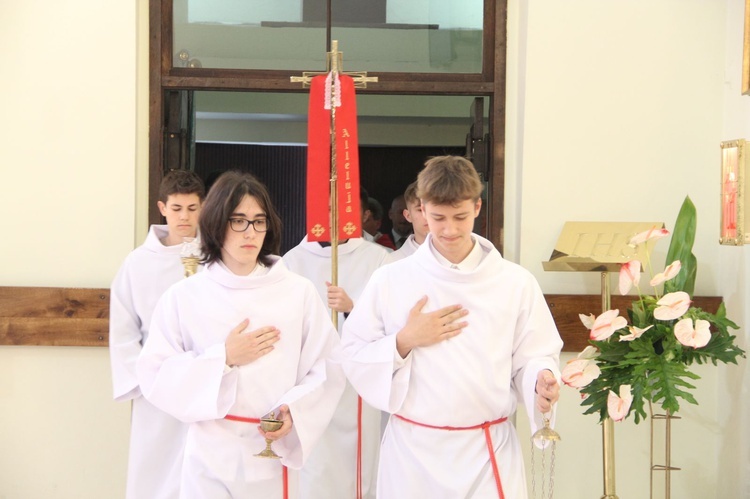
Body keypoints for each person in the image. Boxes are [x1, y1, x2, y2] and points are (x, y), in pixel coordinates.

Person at [340, 155, 562, 498]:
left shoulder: (514, 283)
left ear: (477, 206)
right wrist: (404, 340)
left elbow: (533, 355)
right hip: (413, 453)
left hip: (487, 451)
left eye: (460, 217)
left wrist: (540, 380)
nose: (449, 229)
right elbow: (353, 354)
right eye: (437, 218)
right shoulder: (391, 279)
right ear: (420, 210)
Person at [136, 171, 345, 498]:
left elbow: (327, 365)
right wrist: (224, 358)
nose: (251, 232)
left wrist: (295, 410)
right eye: (239, 221)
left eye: (258, 221)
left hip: (271, 454)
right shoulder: (185, 296)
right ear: (217, 224)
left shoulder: (297, 292)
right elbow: (155, 373)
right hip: (209, 453)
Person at [109, 169, 206, 499]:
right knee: (155, 467)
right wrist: (146, 378)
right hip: (156, 383)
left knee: (201, 467)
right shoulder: (138, 263)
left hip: (205, 378)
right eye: (177, 208)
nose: (184, 217)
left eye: (192, 208)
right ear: (162, 208)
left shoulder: (217, 258)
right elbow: (123, 330)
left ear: (204, 208)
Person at [284, 225, 390, 499]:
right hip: (311, 385)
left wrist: (352, 310)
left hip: (356, 388)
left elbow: (390, 325)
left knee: (358, 469)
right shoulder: (291, 261)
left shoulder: (379, 259)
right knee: (314, 469)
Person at [384, 181, 429, 263]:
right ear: (408, 215)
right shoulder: (391, 262)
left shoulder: (457, 257)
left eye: (433, 209)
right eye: (420, 210)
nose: (428, 215)